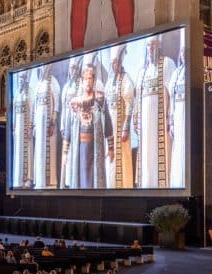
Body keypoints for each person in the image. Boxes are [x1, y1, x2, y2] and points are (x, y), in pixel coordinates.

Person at [133, 35, 176, 188]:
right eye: (148, 46)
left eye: (153, 45)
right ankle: (146, 186)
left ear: (159, 46)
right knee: (146, 154)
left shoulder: (167, 64)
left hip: (160, 121)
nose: (150, 49)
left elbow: (173, 93)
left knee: (161, 153)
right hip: (145, 123)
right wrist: (135, 118)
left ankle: (162, 187)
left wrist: (170, 117)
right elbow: (137, 96)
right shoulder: (143, 71)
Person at [65, 63, 110, 188]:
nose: (88, 81)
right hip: (80, 147)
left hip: (95, 146)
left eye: (90, 78)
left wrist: (110, 148)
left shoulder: (100, 100)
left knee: (94, 179)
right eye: (86, 78)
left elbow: (108, 123)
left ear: (94, 80)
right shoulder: (75, 102)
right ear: (81, 80)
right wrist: (65, 152)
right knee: (80, 176)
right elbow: (69, 126)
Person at [104, 44, 134, 188]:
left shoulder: (126, 80)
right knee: (110, 159)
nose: (113, 65)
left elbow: (129, 104)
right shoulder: (109, 82)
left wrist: (126, 127)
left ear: (120, 61)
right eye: (111, 63)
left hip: (120, 127)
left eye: (115, 62)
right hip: (110, 129)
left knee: (122, 159)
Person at [31, 64, 61, 189]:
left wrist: (53, 122)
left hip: (49, 125)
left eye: (45, 68)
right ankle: (39, 180)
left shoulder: (53, 82)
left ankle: (50, 182)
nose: (43, 70)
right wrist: (33, 125)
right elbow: (34, 107)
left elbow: (57, 104)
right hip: (39, 124)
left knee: (49, 152)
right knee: (39, 152)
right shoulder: (38, 85)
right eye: (41, 68)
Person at [59, 56, 82, 187]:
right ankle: (65, 183)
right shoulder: (66, 86)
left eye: (75, 68)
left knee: (75, 154)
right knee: (66, 155)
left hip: (76, 124)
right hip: (67, 125)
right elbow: (63, 107)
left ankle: (75, 183)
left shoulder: (81, 85)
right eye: (71, 68)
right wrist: (62, 127)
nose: (73, 71)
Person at [168, 30, 186, 188]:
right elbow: (172, 100)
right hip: (178, 113)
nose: (183, 55)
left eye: (185, 51)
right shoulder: (176, 73)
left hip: (188, 114)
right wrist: (171, 121)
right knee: (178, 148)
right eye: (181, 52)